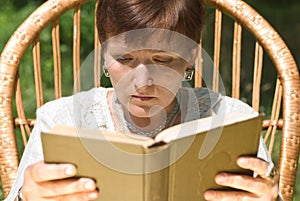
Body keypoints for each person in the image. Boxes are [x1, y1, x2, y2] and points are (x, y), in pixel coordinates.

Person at [6, 0, 281, 200]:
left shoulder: (229, 119)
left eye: (163, 60)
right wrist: (26, 197)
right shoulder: (60, 120)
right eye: (124, 59)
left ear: (191, 58)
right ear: (103, 52)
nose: (142, 82)